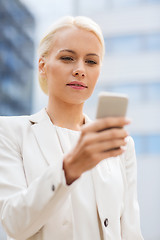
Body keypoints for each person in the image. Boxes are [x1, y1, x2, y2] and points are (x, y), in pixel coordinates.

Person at [0, 16, 144, 240]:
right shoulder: (9, 132)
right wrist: (70, 168)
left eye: (91, 61)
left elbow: (131, 232)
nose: (80, 70)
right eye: (67, 58)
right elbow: (14, 224)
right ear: (42, 66)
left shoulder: (121, 145)